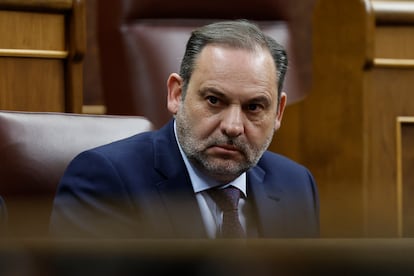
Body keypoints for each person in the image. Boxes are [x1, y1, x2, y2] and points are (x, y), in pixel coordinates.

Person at [49, 19, 319, 239]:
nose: (233, 126)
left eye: (254, 107)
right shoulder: (107, 182)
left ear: (278, 112)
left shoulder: (295, 186)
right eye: (214, 100)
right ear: (177, 94)